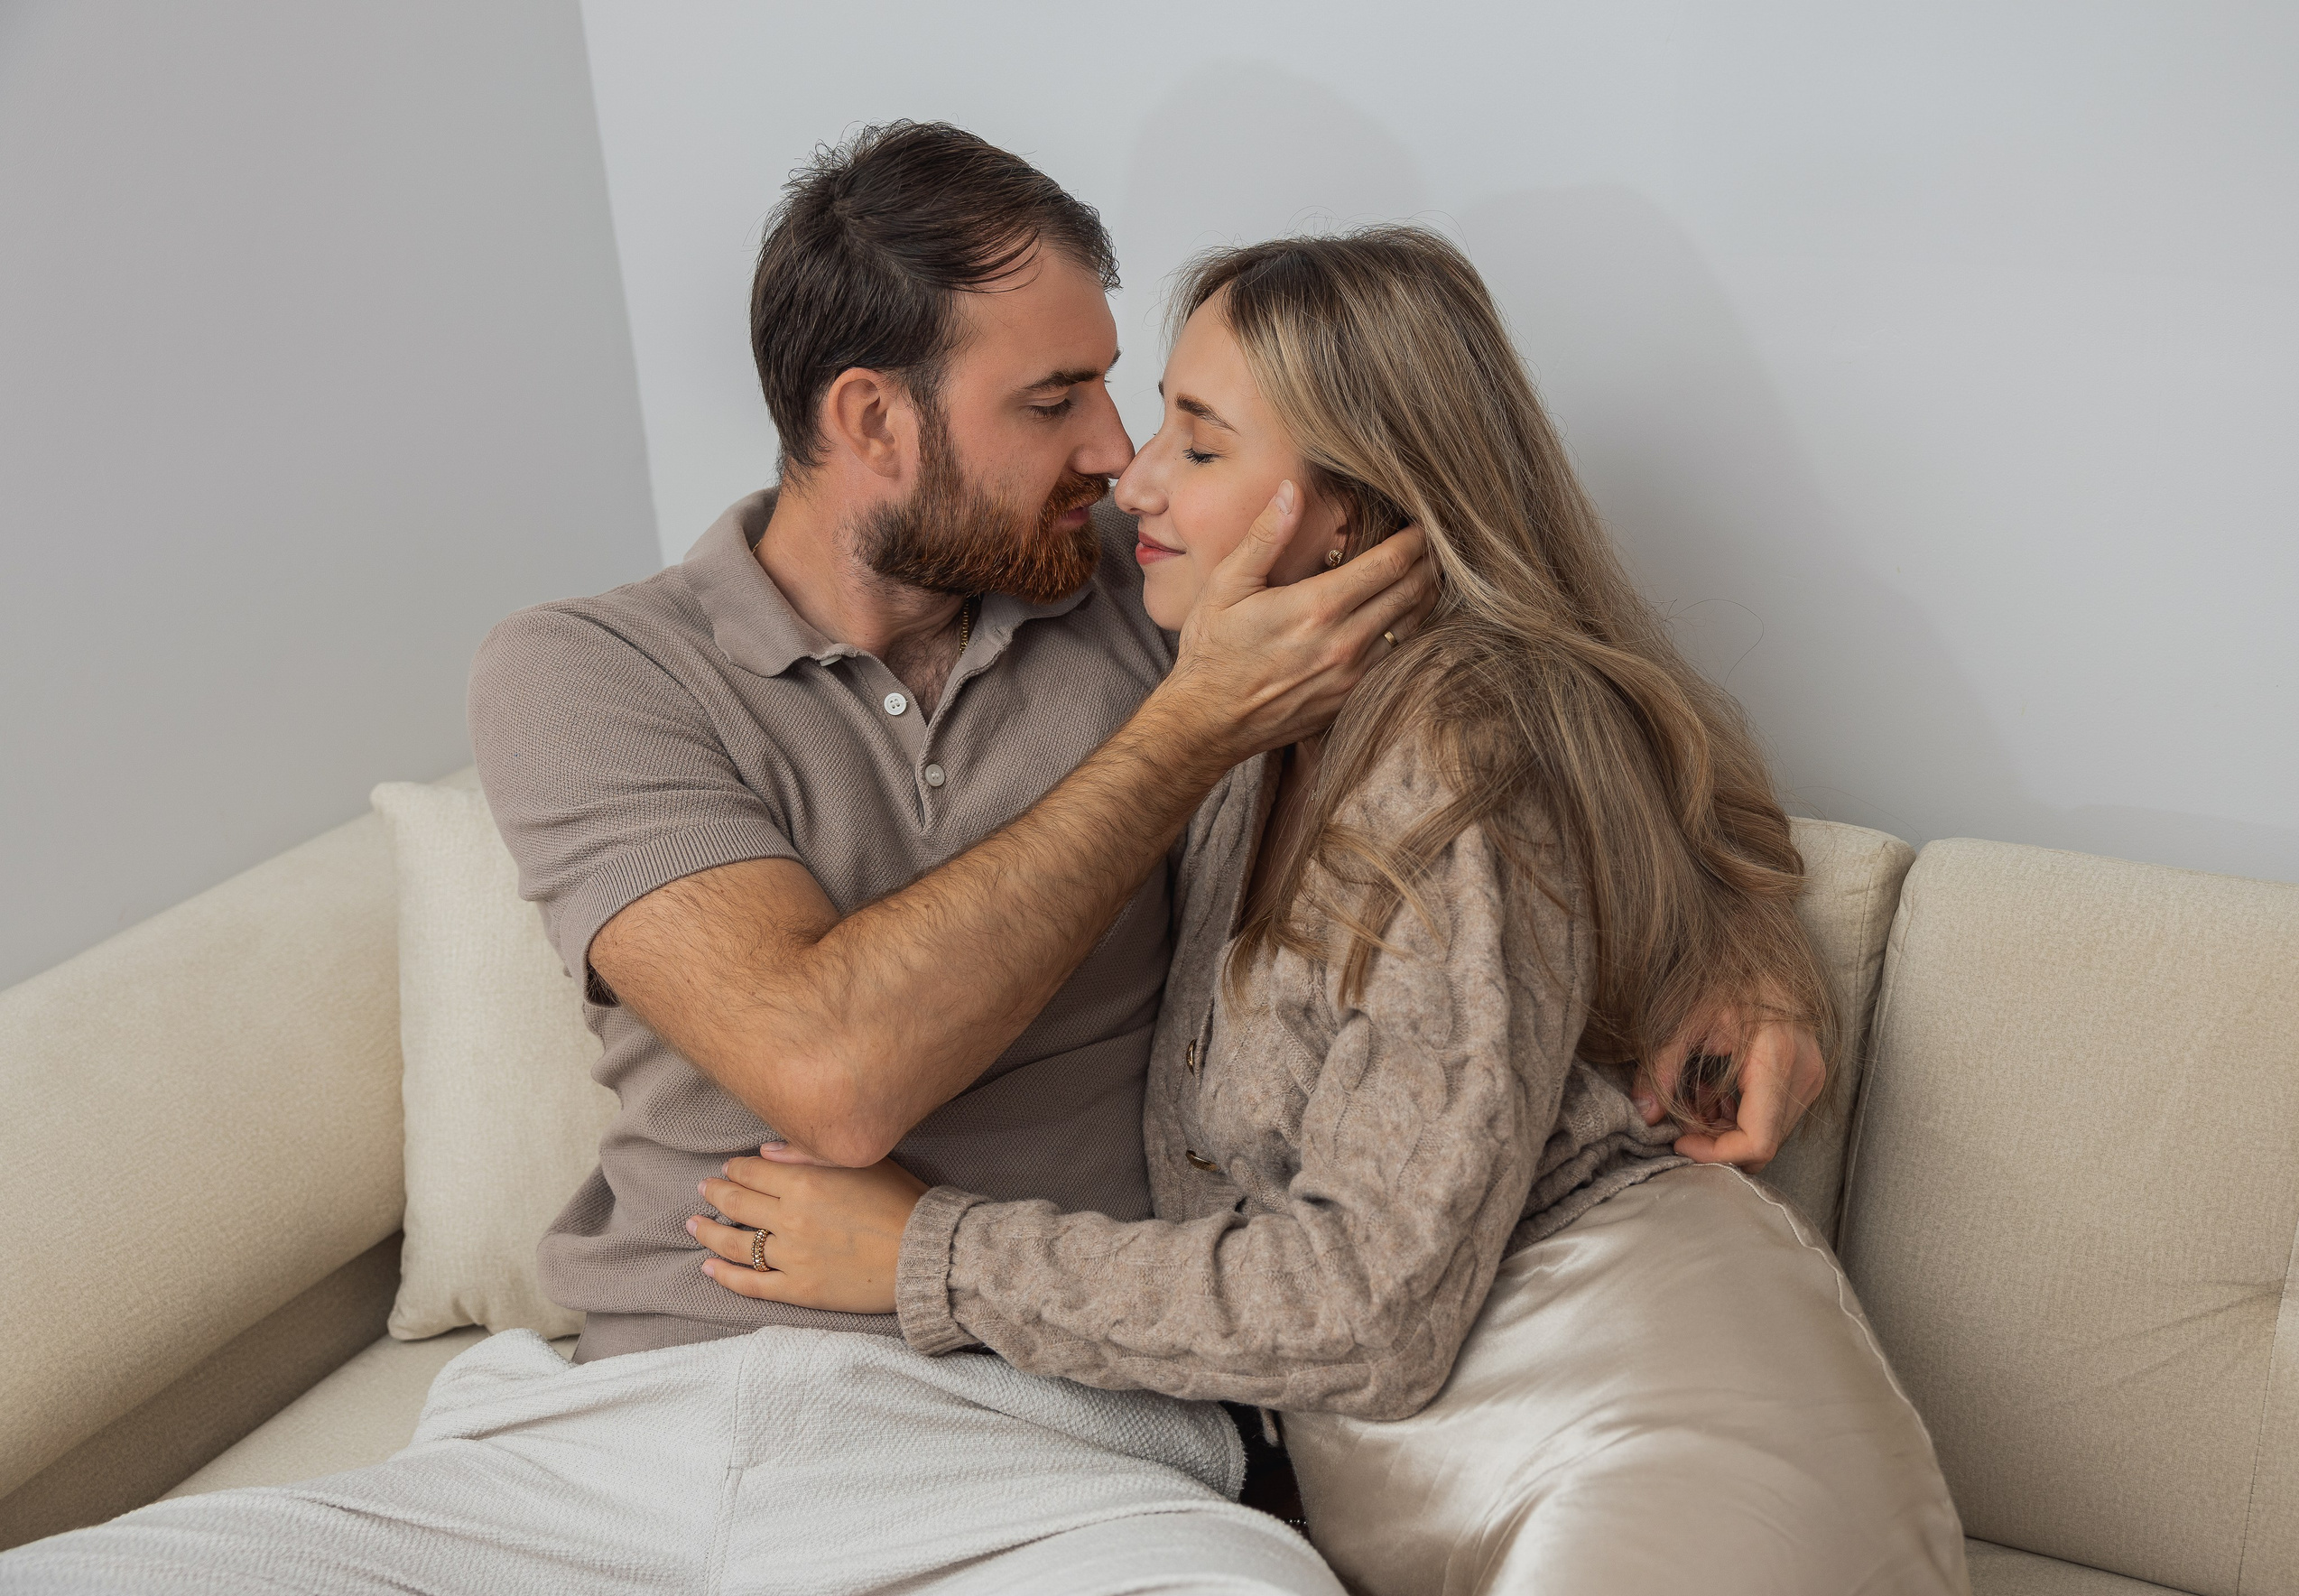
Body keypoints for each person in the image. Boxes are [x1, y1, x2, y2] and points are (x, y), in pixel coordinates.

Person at [0, 125, 1822, 1595]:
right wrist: (1182, 731)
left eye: (1131, 400)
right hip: (612, 1430)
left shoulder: (1168, 585)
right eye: (1056, 403)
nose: (1115, 459)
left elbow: (1538, 654)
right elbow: (829, 1065)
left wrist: (1736, 950)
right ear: (871, 419)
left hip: (1060, 1448)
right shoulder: (589, 670)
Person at [691, 227, 1971, 1591]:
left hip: (1636, 1421)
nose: (1128, 474)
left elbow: (1374, 1307)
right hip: (1447, 1468)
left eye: (1196, 439)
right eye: (1095, 411)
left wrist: (922, 1255)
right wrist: (1744, 940)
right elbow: (1665, 771)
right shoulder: (1242, 698)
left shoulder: (1447, 749)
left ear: (1346, 512)